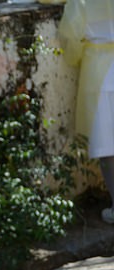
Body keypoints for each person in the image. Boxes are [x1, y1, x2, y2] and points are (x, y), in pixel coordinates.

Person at [58, 0, 114, 224]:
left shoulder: (80, 1)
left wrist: (80, 54)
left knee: (108, 149)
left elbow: (69, 39)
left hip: (98, 71)